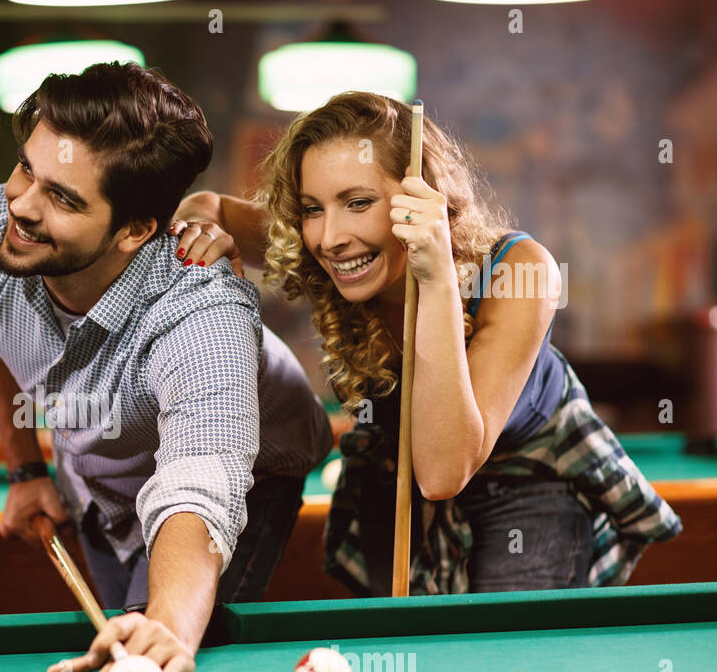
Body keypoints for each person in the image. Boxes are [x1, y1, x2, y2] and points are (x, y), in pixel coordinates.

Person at [171, 91, 681, 595]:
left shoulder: (520, 271)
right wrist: (199, 234)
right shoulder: (323, 239)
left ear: (422, 197)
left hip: (526, 481)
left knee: (498, 660)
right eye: (312, 209)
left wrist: (435, 276)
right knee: (398, 660)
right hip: (394, 477)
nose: (330, 238)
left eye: (359, 202)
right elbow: (206, 206)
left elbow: (442, 471)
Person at [0, 63, 331, 672]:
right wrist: (25, 469)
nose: (22, 205)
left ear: (137, 229)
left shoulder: (202, 310)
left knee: (153, 655)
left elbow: (200, 481)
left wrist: (166, 622)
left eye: (63, 197)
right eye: (27, 169)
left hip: (245, 481)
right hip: (96, 473)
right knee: (122, 634)